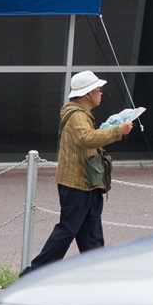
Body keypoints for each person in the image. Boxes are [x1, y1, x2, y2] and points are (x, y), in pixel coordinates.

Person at [23, 70, 133, 273]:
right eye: (98, 89)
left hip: (87, 182)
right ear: (87, 94)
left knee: (91, 233)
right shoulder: (77, 115)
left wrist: (110, 130)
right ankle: (34, 274)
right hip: (77, 183)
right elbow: (86, 138)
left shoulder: (79, 114)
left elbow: (88, 137)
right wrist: (118, 131)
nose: (101, 93)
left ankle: (97, 275)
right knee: (68, 230)